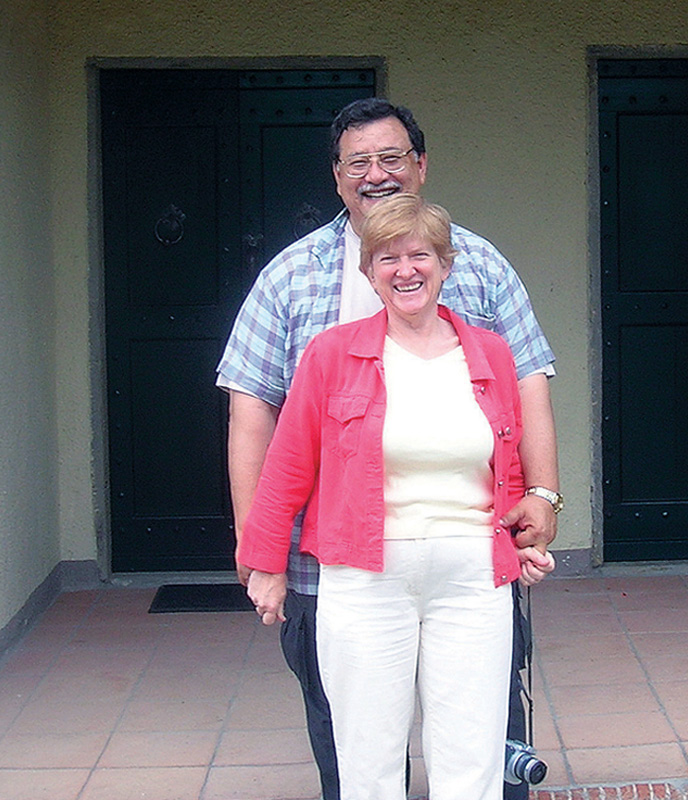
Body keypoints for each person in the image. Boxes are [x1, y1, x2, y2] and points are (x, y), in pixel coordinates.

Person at [216, 98, 560, 800]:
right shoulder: (295, 286)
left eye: (392, 157)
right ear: (337, 178)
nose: (376, 174)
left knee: (480, 749)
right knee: (357, 755)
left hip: (471, 566)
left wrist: (541, 499)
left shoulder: (482, 274)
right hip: (339, 566)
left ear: (421, 166)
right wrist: (263, 558)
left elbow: (523, 398)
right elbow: (258, 422)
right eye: (358, 162)